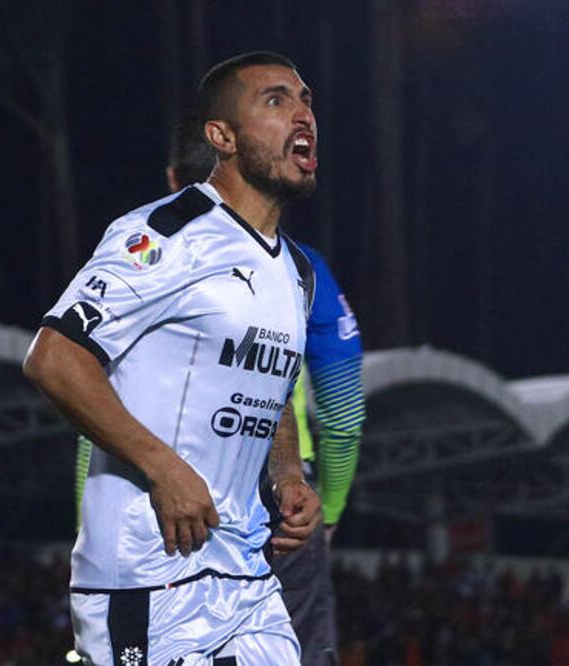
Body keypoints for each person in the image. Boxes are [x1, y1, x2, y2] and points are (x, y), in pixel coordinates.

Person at [24, 51, 322, 665]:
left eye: (306, 100)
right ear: (222, 137)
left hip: (246, 578)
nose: (303, 115)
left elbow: (272, 384)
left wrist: (289, 477)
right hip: (146, 573)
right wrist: (163, 467)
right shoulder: (166, 233)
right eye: (276, 100)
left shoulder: (296, 270)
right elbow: (54, 358)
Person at [75, 111, 365, 665]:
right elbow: (344, 411)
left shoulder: (145, 254)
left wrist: (91, 532)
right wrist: (326, 511)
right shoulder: (302, 270)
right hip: (275, 512)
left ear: (171, 177)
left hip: (153, 509)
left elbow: (94, 413)